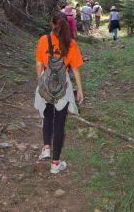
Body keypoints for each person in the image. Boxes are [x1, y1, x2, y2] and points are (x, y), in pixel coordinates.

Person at [34, 11, 84, 174]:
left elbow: (39, 64)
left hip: (46, 85)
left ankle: (46, 148)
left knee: (47, 115)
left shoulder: (43, 40)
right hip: (64, 86)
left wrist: (40, 82)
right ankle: (55, 164)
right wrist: (80, 90)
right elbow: (75, 69)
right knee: (60, 123)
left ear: (53, 24)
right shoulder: (72, 44)